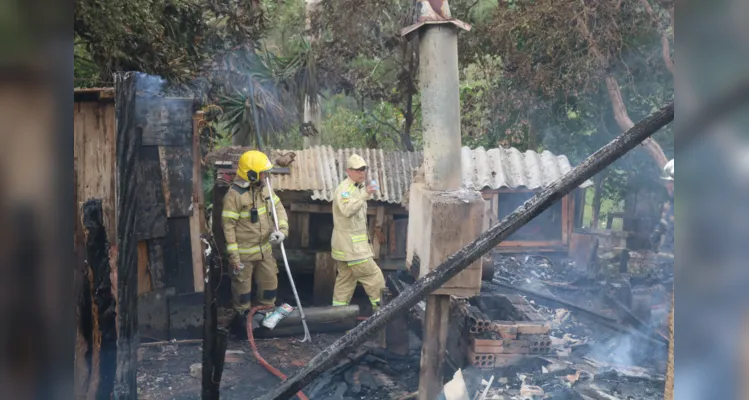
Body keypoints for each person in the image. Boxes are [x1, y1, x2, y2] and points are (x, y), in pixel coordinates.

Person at [222, 150, 289, 328]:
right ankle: (243, 324)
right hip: (243, 255)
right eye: (262, 172)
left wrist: (282, 230)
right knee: (242, 293)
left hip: (265, 251)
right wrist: (234, 258)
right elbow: (228, 227)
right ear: (251, 174)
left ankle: (265, 320)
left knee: (270, 285)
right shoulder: (234, 195)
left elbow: (279, 208)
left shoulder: (265, 189)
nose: (266, 176)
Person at [330, 154, 386, 311]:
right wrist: (364, 195)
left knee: (345, 282)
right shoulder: (344, 190)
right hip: (353, 249)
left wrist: (363, 193)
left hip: (348, 248)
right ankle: (381, 315)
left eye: (364, 169)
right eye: (358, 170)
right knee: (374, 278)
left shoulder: (358, 187)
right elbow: (347, 210)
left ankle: (339, 319)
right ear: (349, 171)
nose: (362, 173)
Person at [650, 159, 674, 259]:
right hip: (667, 261)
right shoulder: (672, 206)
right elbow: (665, 222)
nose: (667, 186)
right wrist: (657, 231)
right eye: (667, 182)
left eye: (672, 181)